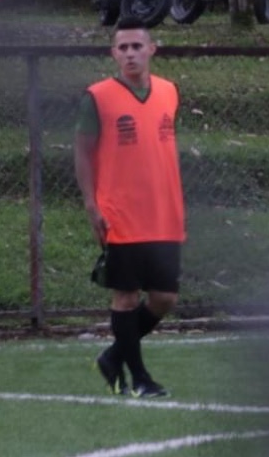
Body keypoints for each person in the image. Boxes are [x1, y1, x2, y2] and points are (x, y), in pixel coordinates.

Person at [74, 20, 186, 399]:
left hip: (164, 213)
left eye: (137, 46)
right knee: (125, 296)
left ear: (152, 49)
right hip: (120, 213)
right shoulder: (98, 96)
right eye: (122, 48)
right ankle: (138, 378)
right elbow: (83, 153)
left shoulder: (170, 92)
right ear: (113, 54)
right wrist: (91, 204)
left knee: (164, 298)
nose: (130, 53)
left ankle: (113, 356)